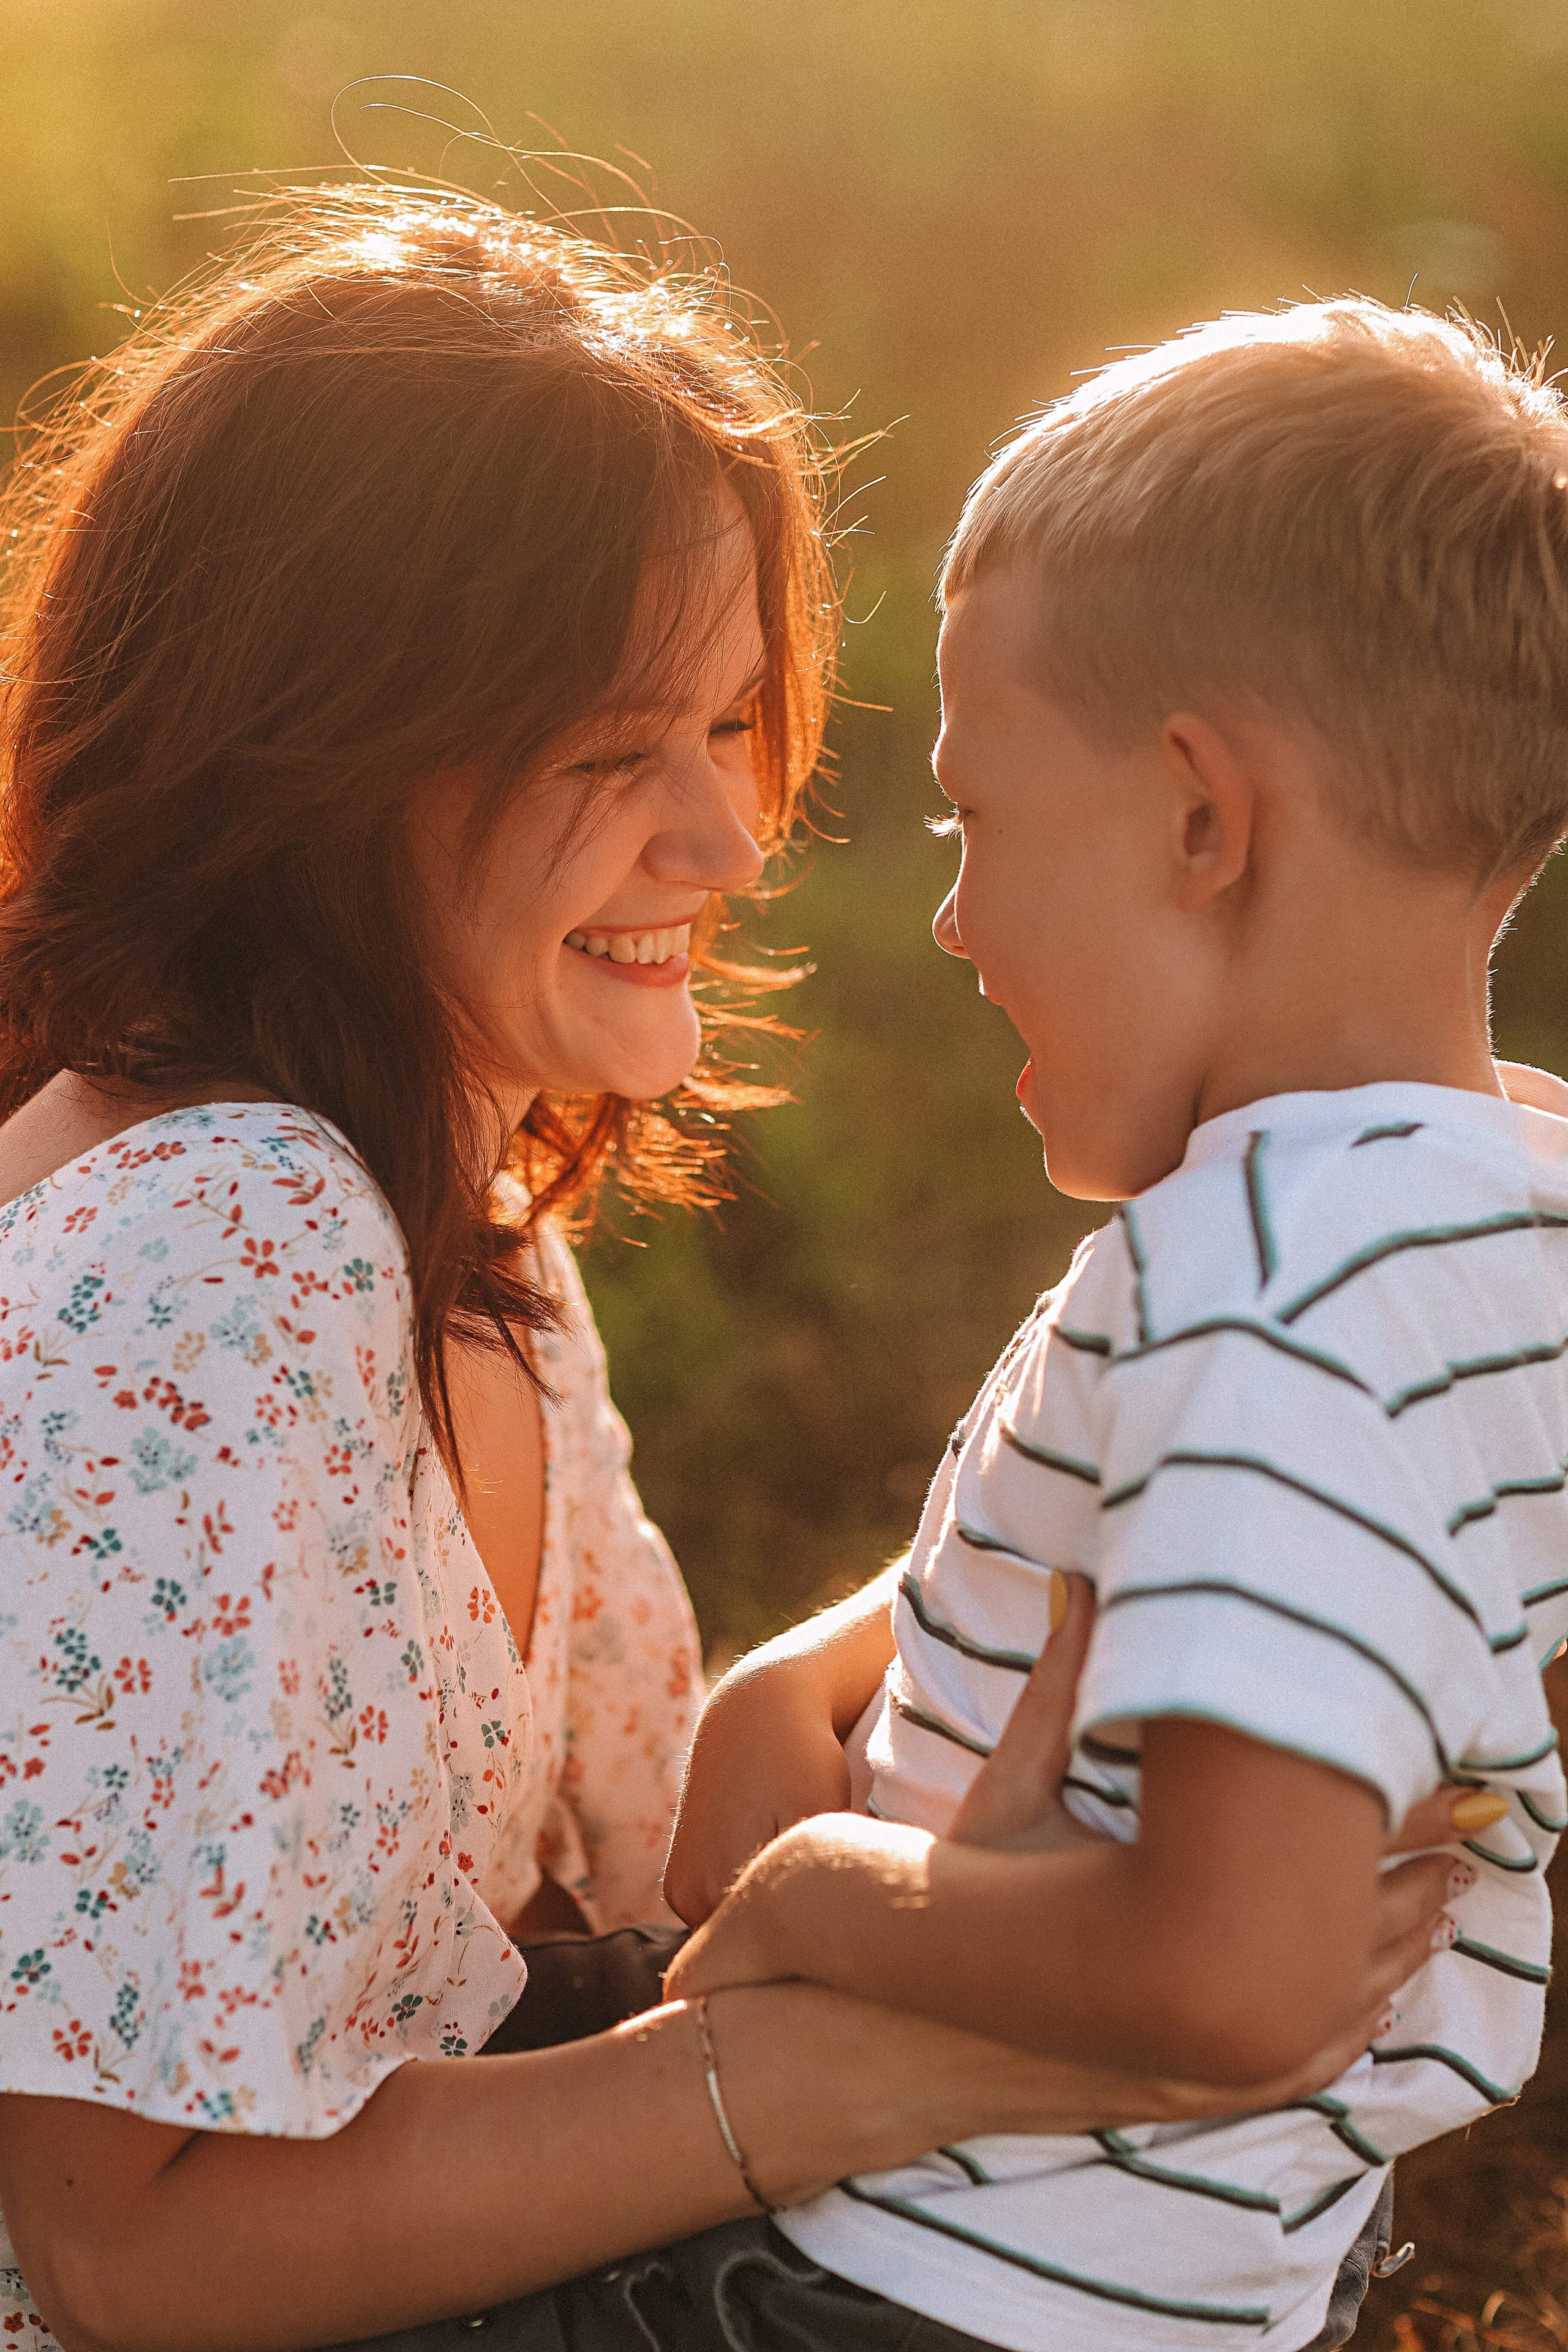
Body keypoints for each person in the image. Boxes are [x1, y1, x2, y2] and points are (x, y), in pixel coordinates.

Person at [0, 193, 1448, 2352]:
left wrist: (841, 1693)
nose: (728, 840)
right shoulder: (219, 1261)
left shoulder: (444, 1216)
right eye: (608, 756)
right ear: (308, 765)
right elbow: (119, 2251)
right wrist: (904, 2064)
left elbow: (615, 1910)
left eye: (731, 724)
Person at [661, 298, 1568, 2352]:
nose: (957, 917)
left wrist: (814, 1896)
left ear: (1199, 822)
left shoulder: (1263, 1280)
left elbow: (1230, 1976)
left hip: (902, 2289)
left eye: (979, 820)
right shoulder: (1495, 1217)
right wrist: (778, 1712)